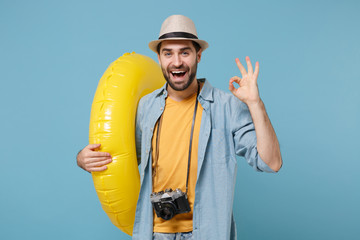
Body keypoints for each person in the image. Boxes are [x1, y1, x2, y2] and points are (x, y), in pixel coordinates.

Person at [77, 15, 282, 240]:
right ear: (159, 58)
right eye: (168, 53)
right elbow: (127, 156)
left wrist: (255, 104)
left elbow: (271, 162)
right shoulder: (146, 106)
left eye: (185, 52)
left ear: (198, 55)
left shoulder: (227, 106)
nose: (177, 62)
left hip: (207, 233)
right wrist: (83, 159)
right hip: (155, 233)